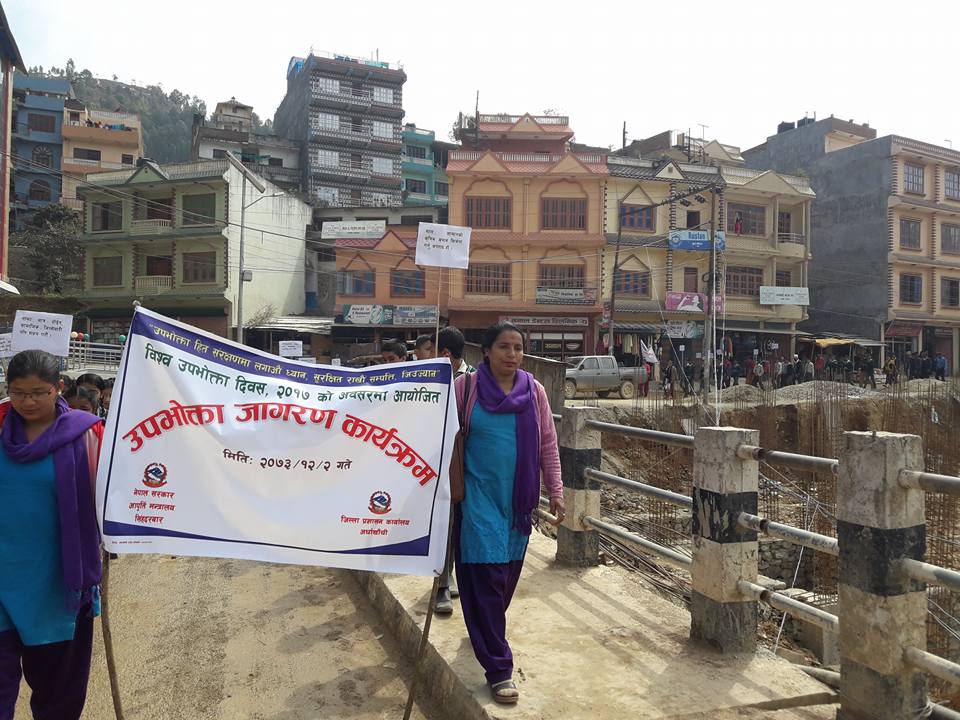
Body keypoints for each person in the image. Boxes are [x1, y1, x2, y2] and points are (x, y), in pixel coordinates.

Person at [454, 322, 562, 704]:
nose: (512, 354)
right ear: (486, 350)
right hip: (478, 500)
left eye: (518, 347)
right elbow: (443, 438)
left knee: (503, 583)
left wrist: (556, 491)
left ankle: (484, 630)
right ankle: (499, 669)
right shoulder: (465, 388)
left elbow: (548, 443)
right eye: (504, 346)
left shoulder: (534, 391)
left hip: (518, 506)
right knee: (488, 578)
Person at [0, 350, 104, 720]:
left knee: (57, 698)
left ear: (58, 387)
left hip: (58, 586)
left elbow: (113, 493)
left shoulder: (88, 434)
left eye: (38, 393)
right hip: (3, 580)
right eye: (18, 392)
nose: (27, 402)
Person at [434, 327, 476, 616]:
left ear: (445, 353)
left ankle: (453, 577)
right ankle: (441, 586)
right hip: (441, 464)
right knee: (445, 525)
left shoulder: (472, 380)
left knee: (463, 527)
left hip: (468, 464)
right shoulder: (431, 380)